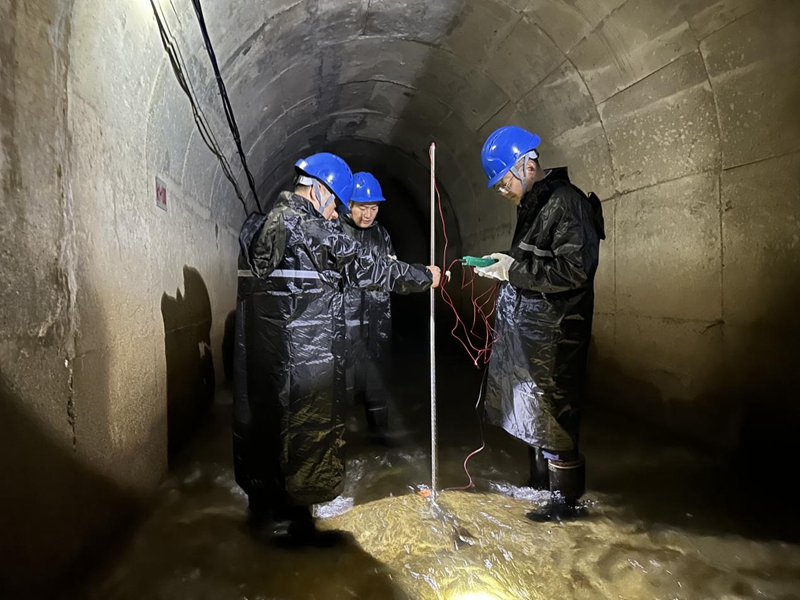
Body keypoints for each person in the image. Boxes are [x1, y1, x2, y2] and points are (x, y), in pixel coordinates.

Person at [232, 153, 441, 544]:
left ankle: (260, 529)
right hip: (309, 365)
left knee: (266, 437)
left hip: (266, 369)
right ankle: (300, 538)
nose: (335, 216)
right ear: (318, 190)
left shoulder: (255, 228)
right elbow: (373, 267)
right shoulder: (314, 232)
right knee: (307, 440)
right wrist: (423, 276)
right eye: (335, 205)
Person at [474, 126, 605, 521]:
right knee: (537, 414)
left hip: (559, 332)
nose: (501, 191)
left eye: (502, 182)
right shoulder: (536, 202)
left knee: (557, 415)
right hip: (536, 332)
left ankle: (567, 508)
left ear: (525, 166)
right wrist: (506, 265)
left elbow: (575, 269)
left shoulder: (567, 203)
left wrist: (513, 271)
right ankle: (539, 489)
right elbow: (535, 259)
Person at [339, 172, 426, 445]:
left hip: (377, 324)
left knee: (377, 389)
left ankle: (380, 447)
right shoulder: (336, 233)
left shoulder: (382, 235)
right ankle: (339, 449)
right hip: (344, 327)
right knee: (339, 391)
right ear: (348, 204)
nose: (368, 215)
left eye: (373, 208)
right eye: (362, 208)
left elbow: (393, 274)